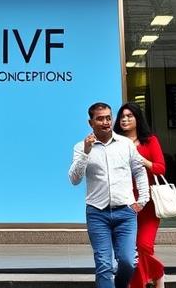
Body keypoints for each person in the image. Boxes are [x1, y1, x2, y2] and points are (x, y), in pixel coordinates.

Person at [69, 102, 149, 288]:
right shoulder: (81, 147)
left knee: (128, 262)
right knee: (104, 265)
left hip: (126, 213)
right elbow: (74, 179)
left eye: (108, 117)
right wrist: (86, 153)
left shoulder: (126, 144)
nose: (105, 122)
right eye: (100, 118)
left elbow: (139, 171)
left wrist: (143, 200)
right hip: (98, 213)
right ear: (91, 123)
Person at [115, 102, 166, 288]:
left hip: (148, 204)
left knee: (144, 246)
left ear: (137, 119)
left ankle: (156, 273)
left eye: (129, 116)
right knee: (131, 252)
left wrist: (141, 159)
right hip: (125, 203)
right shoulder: (116, 141)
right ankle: (154, 275)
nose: (125, 119)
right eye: (122, 117)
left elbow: (160, 168)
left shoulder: (150, 140)